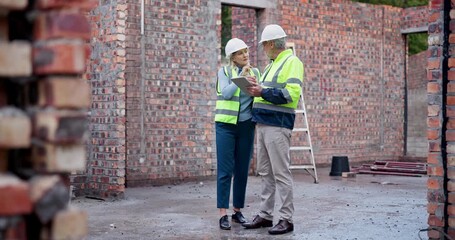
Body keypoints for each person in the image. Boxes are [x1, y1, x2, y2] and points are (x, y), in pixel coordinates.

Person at [242, 24, 304, 235]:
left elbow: (291, 95)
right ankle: (266, 215)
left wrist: (263, 91)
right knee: (266, 173)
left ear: (270, 44)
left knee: (280, 173)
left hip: (277, 125)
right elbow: (267, 91)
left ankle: (286, 219)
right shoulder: (272, 64)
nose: (263, 49)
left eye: (263, 45)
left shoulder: (292, 62)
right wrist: (255, 87)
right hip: (264, 123)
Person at [215, 38, 260, 230]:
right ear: (233, 57)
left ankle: (237, 211)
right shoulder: (223, 72)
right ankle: (223, 213)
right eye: (240, 52)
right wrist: (241, 78)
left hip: (246, 126)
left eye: (246, 51)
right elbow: (225, 93)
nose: (245, 55)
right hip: (225, 126)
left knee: (242, 170)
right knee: (225, 171)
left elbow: (259, 94)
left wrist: (254, 85)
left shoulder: (256, 72)